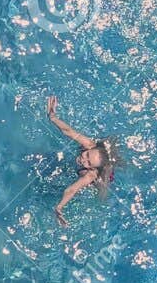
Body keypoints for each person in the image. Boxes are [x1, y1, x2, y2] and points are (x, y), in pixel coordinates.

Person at [46, 95, 117, 226]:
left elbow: (72, 190)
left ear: (93, 168)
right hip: (99, 157)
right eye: (87, 156)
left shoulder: (91, 174)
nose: (84, 160)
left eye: (89, 163)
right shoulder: (88, 144)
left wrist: (59, 207)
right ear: (90, 149)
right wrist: (53, 117)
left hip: (101, 177)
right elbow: (68, 131)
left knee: (101, 191)